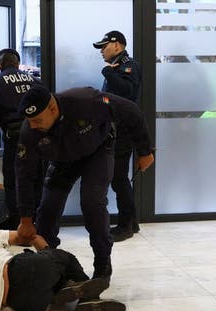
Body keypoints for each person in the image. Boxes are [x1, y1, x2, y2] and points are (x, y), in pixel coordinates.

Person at [15, 85, 155, 283]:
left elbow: (130, 110)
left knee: (92, 202)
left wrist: (144, 150)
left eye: (37, 120)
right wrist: (26, 219)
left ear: (53, 109)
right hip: (63, 160)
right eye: (29, 121)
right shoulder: (30, 131)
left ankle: (102, 265)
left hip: (97, 151)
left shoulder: (86, 101)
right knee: (47, 208)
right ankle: (49, 264)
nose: (33, 125)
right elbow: (24, 174)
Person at [0, 48, 44, 229]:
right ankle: (37, 221)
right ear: (18, 64)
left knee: (13, 181)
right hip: (38, 138)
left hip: (15, 140)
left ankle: (19, 224)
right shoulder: (35, 81)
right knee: (36, 179)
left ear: (0, 65)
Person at [93, 30, 143, 242]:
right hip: (115, 129)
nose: (102, 51)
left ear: (117, 45)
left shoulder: (128, 65)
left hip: (124, 130)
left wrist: (108, 73)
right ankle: (131, 222)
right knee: (119, 179)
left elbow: (127, 91)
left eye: (104, 47)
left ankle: (125, 226)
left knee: (119, 179)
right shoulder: (117, 67)